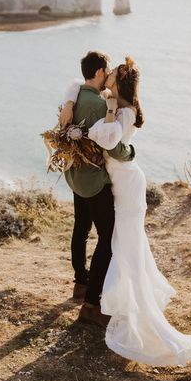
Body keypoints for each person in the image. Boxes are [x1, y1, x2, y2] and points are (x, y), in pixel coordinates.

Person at [61, 56, 191, 366]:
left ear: (118, 81)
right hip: (115, 180)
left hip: (127, 182)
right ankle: (104, 300)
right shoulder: (110, 101)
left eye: (114, 74)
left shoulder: (123, 110)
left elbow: (112, 142)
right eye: (109, 72)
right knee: (117, 241)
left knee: (121, 240)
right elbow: (81, 92)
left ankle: (108, 302)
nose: (109, 77)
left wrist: (95, 129)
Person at [61, 51, 135, 328]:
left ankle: (81, 282)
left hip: (74, 175)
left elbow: (72, 87)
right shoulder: (98, 105)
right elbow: (111, 144)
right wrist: (130, 154)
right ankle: (91, 305)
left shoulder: (76, 94)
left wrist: (69, 99)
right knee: (108, 238)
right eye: (107, 71)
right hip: (93, 181)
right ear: (101, 72)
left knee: (81, 226)